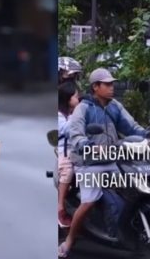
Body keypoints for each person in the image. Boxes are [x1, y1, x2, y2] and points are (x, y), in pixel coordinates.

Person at [58, 68, 150, 257]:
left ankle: (124, 232)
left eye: (112, 84)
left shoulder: (114, 106)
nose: (111, 87)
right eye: (107, 84)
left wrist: (149, 137)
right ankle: (70, 239)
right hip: (88, 163)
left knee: (132, 191)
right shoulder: (84, 108)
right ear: (95, 87)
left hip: (112, 159)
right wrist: (88, 146)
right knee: (89, 201)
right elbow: (76, 134)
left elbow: (130, 126)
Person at [57, 81, 80, 228]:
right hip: (65, 151)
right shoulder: (59, 115)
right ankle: (60, 208)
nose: (79, 100)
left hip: (78, 149)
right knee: (68, 171)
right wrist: (76, 116)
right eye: (76, 97)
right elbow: (65, 129)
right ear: (68, 98)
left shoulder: (73, 113)